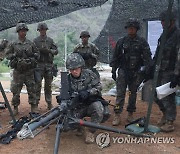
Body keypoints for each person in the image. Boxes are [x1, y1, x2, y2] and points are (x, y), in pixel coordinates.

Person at [110, 18, 153, 126]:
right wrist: (113, 70)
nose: (131, 30)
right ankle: (117, 114)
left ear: (136, 29)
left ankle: (130, 113)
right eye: (129, 28)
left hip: (136, 72)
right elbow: (115, 57)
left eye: (133, 28)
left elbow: (148, 58)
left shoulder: (142, 42)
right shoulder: (121, 41)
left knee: (132, 93)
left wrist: (148, 72)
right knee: (120, 94)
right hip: (123, 71)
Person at [64, 53, 108, 144]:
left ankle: (91, 132)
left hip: (89, 104)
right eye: (72, 69)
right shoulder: (66, 79)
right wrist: (62, 99)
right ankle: (80, 126)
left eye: (76, 69)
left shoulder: (89, 74)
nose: (74, 71)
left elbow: (99, 87)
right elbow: (64, 95)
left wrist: (88, 92)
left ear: (81, 67)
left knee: (99, 109)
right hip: (76, 107)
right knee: (68, 125)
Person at [153, 10, 180, 132]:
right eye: (162, 21)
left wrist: (176, 74)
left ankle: (170, 121)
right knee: (155, 95)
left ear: (172, 21)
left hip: (171, 71)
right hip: (160, 70)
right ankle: (165, 114)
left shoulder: (177, 36)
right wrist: (151, 67)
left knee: (167, 96)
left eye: (165, 21)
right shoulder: (163, 35)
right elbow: (158, 52)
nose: (162, 23)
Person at [5, 23, 40, 115]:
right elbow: (7, 55)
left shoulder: (31, 43)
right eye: (21, 31)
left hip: (29, 71)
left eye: (24, 31)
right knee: (16, 91)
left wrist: (32, 58)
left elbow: (37, 54)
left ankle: (34, 107)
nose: (23, 32)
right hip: (18, 71)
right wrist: (14, 55)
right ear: (18, 32)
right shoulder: (13, 44)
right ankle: (15, 107)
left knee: (32, 89)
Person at [33, 22, 58, 110]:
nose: (42, 31)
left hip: (48, 65)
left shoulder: (50, 40)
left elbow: (56, 51)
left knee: (48, 86)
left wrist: (49, 51)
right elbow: (32, 52)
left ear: (46, 30)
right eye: (41, 30)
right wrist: (38, 53)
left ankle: (49, 103)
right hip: (39, 65)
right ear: (39, 31)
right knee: (37, 85)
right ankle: (35, 104)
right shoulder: (35, 41)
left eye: (44, 30)